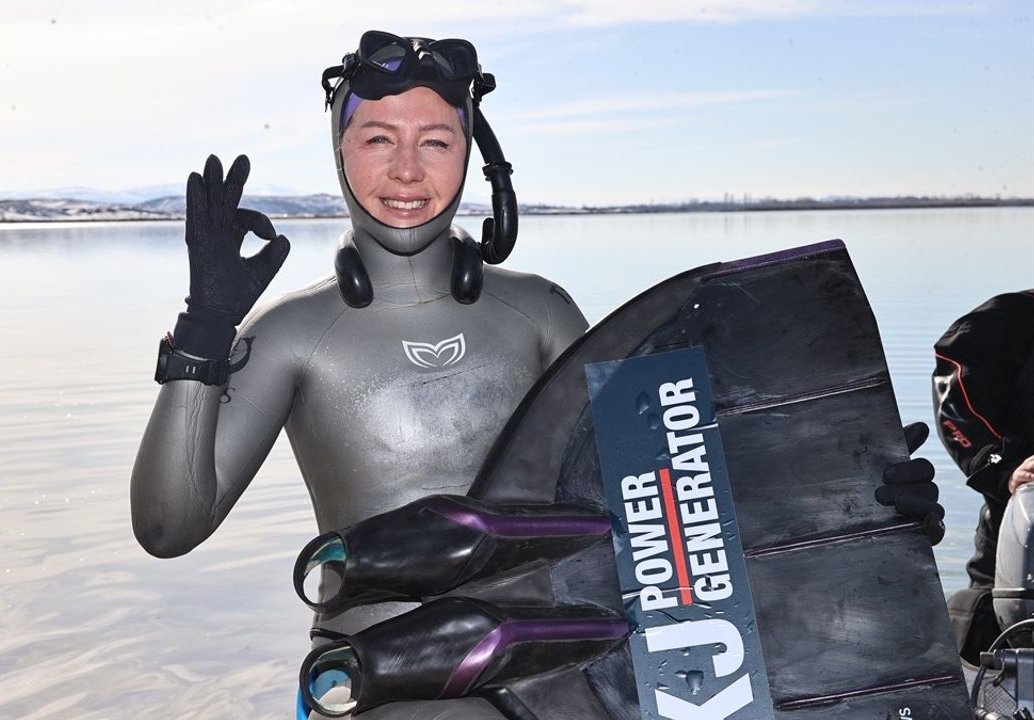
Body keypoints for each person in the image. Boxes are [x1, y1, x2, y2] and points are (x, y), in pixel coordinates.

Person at [132, 31, 944, 720]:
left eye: (437, 140)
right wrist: (202, 340)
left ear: (475, 154)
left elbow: (666, 502)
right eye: (379, 137)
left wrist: (851, 497)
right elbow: (170, 528)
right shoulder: (290, 335)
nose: (407, 170)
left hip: (562, 683)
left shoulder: (540, 314)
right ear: (339, 151)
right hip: (373, 686)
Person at [933, 289, 1034, 664]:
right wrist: (1003, 470)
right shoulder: (1008, 322)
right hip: (1012, 554)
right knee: (989, 630)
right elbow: (957, 401)